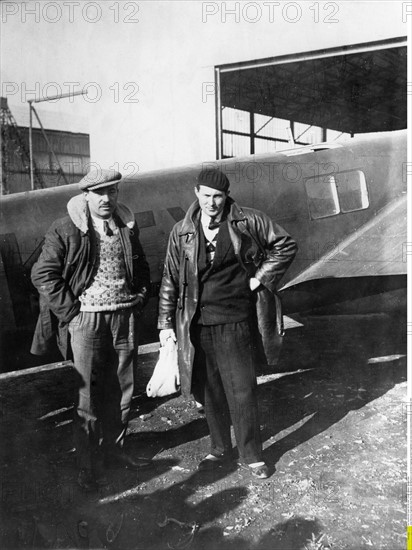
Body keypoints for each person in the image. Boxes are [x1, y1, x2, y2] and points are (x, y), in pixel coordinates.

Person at [157, 167, 297, 479]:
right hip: (198, 324)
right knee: (209, 392)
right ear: (196, 193)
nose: (212, 202)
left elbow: (285, 244)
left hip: (236, 321)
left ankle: (252, 455)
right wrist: (166, 323)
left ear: (226, 195)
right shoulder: (182, 231)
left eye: (218, 196)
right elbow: (170, 279)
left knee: (243, 390)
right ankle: (219, 449)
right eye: (206, 195)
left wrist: (260, 279)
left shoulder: (248, 220)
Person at [31, 168, 152, 491]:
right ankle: (88, 464)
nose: (106, 199)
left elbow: (140, 265)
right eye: (99, 193)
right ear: (86, 196)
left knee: (123, 389)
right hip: (87, 322)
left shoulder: (125, 226)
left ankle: (116, 452)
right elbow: (43, 274)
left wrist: (139, 296)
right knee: (88, 395)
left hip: (123, 317)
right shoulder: (67, 228)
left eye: (112, 192)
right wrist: (72, 312)